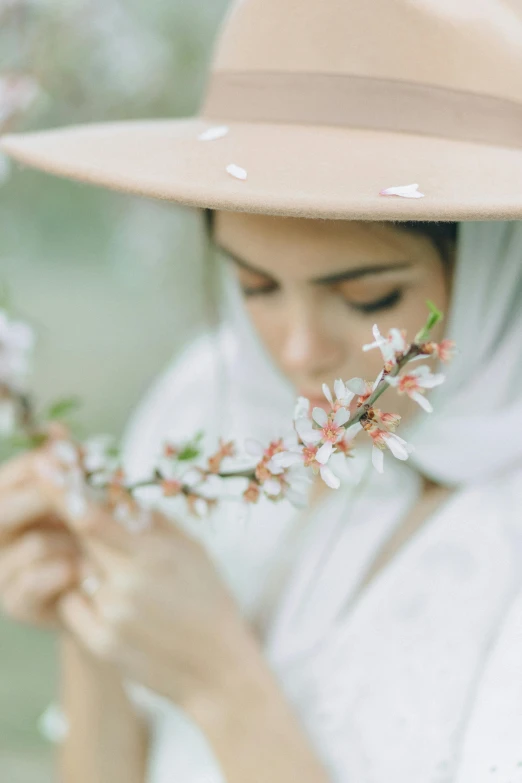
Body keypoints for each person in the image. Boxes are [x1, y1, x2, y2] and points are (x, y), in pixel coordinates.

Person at [1, 1, 522, 782]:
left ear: (492, 267)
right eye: (255, 286)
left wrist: (221, 680)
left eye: (368, 298)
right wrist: (95, 622)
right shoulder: (203, 399)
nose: (300, 351)